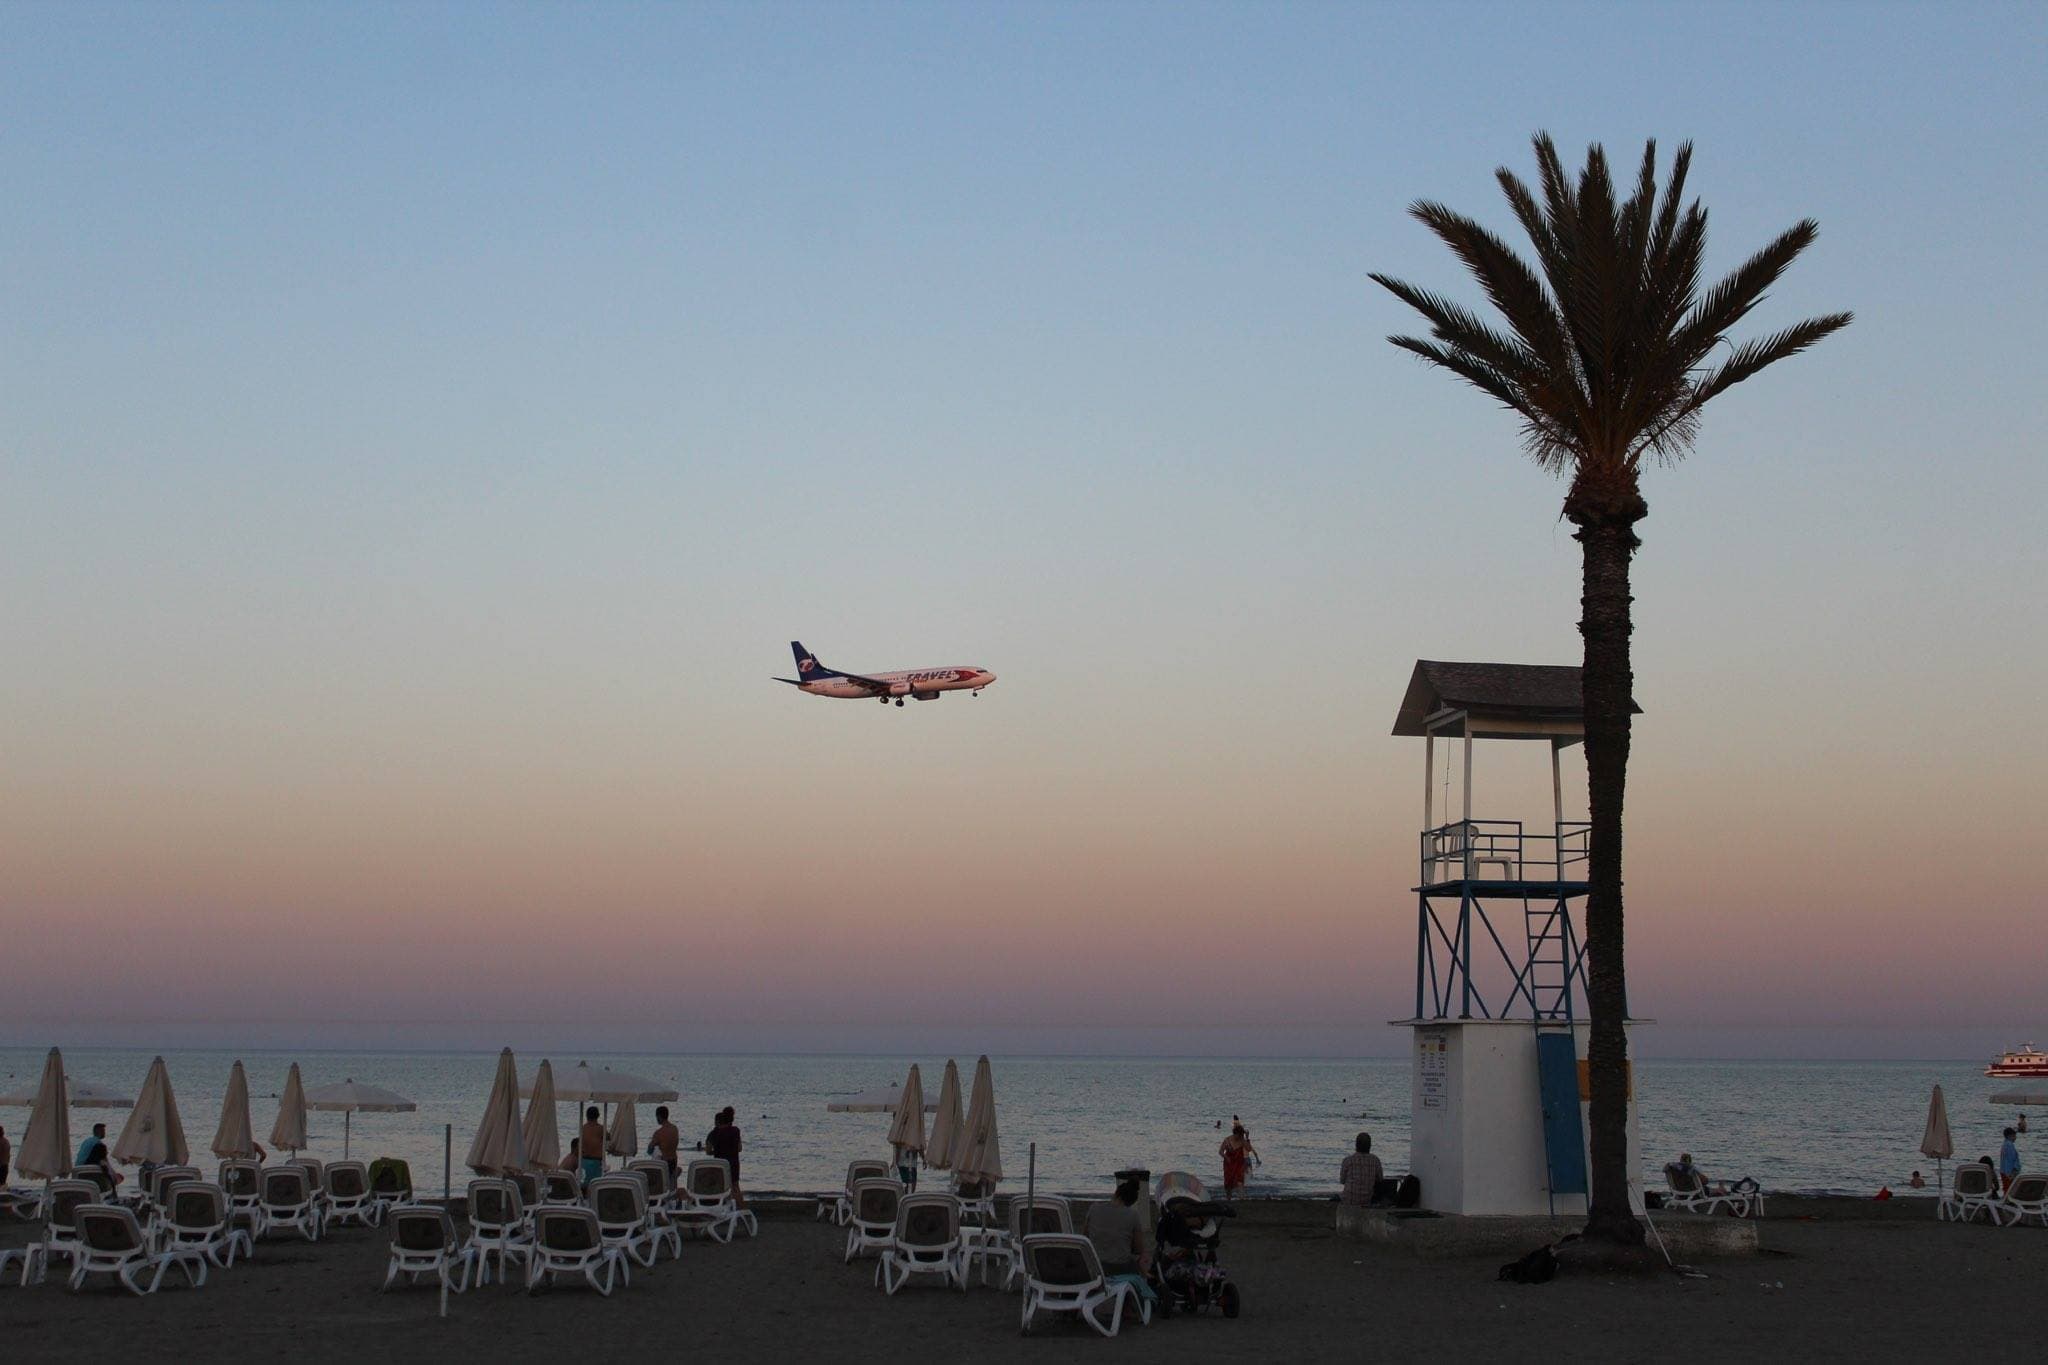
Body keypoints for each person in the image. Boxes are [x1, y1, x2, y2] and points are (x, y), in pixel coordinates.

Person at [1084, 1177, 1151, 1277]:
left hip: (1094, 1266)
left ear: (1116, 1193)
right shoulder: (1133, 1215)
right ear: (1130, 1202)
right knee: (1141, 1259)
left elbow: (1085, 1236)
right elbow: (1138, 1249)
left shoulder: (1093, 1208)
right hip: (1120, 1268)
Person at [706, 1107, 745, 1206]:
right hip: (733, 1163)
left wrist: (716, 1151)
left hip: (720, 1164)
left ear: (717, 1122)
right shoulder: (735, 1131)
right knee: (735, 1186)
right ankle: (741, 1207)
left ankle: (722, 1206)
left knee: (720, 1186)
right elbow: (739, 1148)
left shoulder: (713, 1133)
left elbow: (708, 1151)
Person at [1340, 1131, 1384, 1208]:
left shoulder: (1348, 1160)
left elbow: (1342, 1181)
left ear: (1356, 1145)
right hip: (1367, 1201)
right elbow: (1380, 1179)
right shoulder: (1375, 1160)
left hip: (1349, 1200)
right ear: (1370, 1146)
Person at [1219, 1122, 1258, 1200]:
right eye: (1239, 1135)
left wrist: (1247, 1138)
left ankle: (1242, 1199)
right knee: (1228, 1182)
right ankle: (1228, 1198)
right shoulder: (1227, 1140)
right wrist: (1226, 1157)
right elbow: (1220, 1151)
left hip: (1239, 1164)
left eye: (1241, 1135)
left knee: (1239, 1181)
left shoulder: (1242, 1140)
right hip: (1229, 1164)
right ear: (1235, 1133)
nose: (1240, 1137)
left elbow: (1249, 1149)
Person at [650, 1106, 681, 1176]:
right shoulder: (675, 1129)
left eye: (656, 1116)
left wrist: (653, 1145)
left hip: (664, 1164)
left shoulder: (658, 1133)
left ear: (659, 1116)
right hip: (674, 1162)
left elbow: (649, 1150)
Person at [579, 1107, 604, 1183]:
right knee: (596, 1184)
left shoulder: (583, 1128)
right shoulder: (601, 1128)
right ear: (598, 1116)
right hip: (596, 1161)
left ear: (586, 1116)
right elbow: (610, 1139)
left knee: (584, 1184)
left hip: (584, 1161)